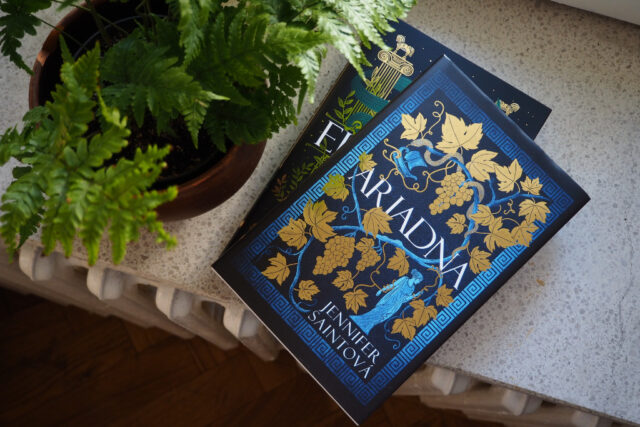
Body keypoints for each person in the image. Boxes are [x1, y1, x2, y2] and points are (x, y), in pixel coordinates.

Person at [350, 269, 424, 334]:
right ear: (415, 278)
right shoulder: (405, 279)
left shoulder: (412, 288)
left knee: (382, 316)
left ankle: (367, 327)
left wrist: (415, 295)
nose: (418, 282)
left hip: (395, 305)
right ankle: (359, 320)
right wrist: (381, 290)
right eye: (419, 280)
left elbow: (405, 299)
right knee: (377, 311)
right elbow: (393, 285)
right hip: (390, 299)